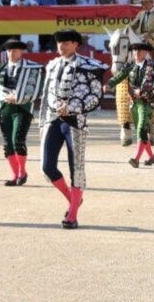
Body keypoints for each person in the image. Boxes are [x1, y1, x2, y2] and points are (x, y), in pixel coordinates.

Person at [38, 29, 106, 230]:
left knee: (76, 167)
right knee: (46, 167)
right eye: (59, 42)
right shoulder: (52, 65)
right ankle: (73, 199)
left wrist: (72, 107)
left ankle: (73, 214)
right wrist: (42, 123)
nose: (62, 46)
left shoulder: (90, 66)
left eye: (66, 42)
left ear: (76, 44)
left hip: (75, 121)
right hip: (53, 120)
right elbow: (45, 96)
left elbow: (95, 97)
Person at [107, 42, 154, 168]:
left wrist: (144, 92)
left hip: (148, 102)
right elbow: (120, 75)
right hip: (133, 103)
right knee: (141, 131)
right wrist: (109, 84)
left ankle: (136, 158)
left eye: (139, 51)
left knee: (141, 129)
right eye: (134, 51)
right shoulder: (130, 65)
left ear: (145, 53)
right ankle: (151, 157)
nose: (136, 53)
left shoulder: (153, 66)